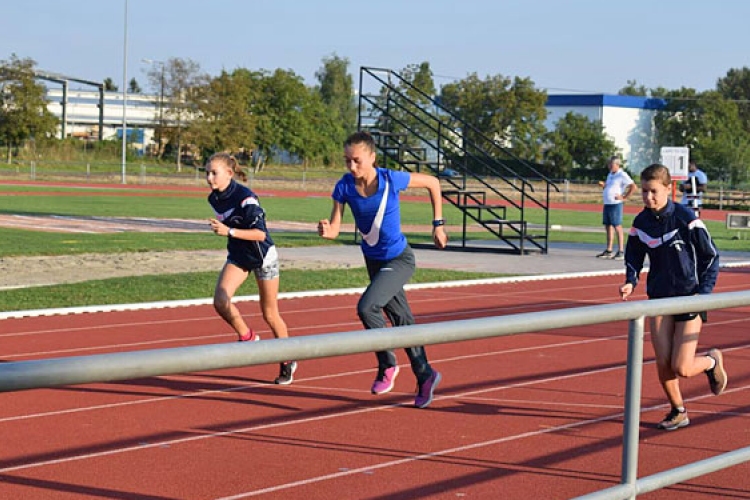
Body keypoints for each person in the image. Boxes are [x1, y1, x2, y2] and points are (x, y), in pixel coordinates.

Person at [318, 131, 448, 409]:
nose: (352, 167)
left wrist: (438, 224)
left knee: (367, 307)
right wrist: (327, 231)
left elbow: (433, 183)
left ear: (372, 158)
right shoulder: (344, 186)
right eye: (347, 161)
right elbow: (336, 228)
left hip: (399, 259)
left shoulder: (391, 179)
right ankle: (425, 374)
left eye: (357, 161)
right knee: (402, 320)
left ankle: (387, 364)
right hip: (373, 261)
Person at [619, 163, 726, 431]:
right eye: (644, 192)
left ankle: (712, 361)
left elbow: (710, 255)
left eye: (654, 191)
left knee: (683, 367)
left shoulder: (685, 217)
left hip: (689, 296)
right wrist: (631, 281)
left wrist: (704, 295)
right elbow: (633, 255)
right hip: (659, 298)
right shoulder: (641, 222)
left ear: (669, 189)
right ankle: (678, 410)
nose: (648, 197)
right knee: (663, 361)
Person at [206, 152, 297, 385]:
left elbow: (260, 234)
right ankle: (247, 337)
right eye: (206, 172)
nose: (208, 177)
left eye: (213, 173)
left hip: (263, 257)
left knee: (269, 314)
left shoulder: (247, 198)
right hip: (239, 256)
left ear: (229, 173)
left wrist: (229, 231)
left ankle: (288, 360)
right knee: (220, 301)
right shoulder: (214, 198)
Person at [596, 156, 635, 260]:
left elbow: (633, 186)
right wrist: (604, 185)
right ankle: (609, 250)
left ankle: (621, 250)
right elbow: (610, 187)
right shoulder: (610, 175)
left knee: (617, 226)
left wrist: (624, 197)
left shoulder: (622, 175)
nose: (609, 166)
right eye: (609, 164)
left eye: (611, 164)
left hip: (615, 203)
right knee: (608, 226)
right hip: (607, 203)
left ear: (617, 165)